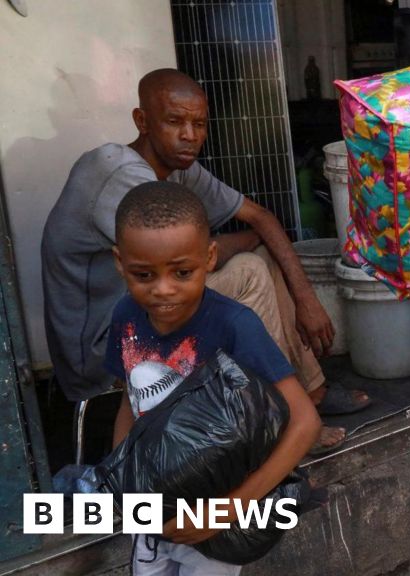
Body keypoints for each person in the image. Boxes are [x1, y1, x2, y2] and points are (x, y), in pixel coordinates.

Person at [41, 69, 363, 452]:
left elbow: (260, 218)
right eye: (175, 121)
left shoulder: (179, 168)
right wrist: (239, 242)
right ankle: (279, 422)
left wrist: (307, 300)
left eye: (199, 124)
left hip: (151, 309)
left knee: (260, 253)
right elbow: (183, 261)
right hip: (104, 347)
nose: (189, 135)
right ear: (142, 122)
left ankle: (311, 392)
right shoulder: (121, 173)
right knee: (249, 270)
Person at [107, 182, 320, 575]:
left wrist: (229, 508)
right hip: (155, 516)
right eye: (143, 275)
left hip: (217, 520)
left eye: (182, 272)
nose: (163, 289)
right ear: (120, 263)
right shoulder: (126, 316)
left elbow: (305, 422)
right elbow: (129, 400)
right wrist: (127, 486)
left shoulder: (233, 324)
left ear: (209, 258)